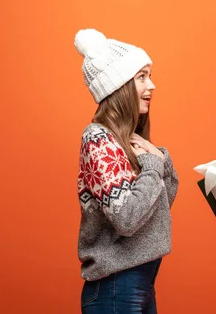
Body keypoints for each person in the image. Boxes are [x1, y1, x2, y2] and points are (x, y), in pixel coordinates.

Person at [74, 28, 178, 313]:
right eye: (142, 77)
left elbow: (160, 207)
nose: (152, 86)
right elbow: (127, 218)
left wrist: (158, 159)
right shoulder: (98, 139)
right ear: (117, 86)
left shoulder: (126, 139)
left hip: (141, 281)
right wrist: (154, 164)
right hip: (116, 286)